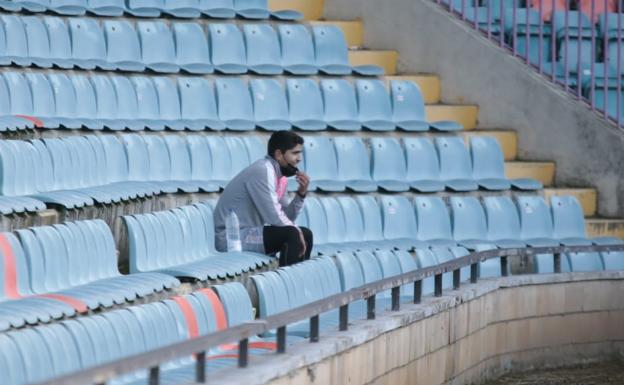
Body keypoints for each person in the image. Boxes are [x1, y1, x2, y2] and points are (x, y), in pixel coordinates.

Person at [214, 131, 313, 266]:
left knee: (306, 234)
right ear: (278, 154)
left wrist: (301, 194)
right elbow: (273, 216)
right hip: (232, 237)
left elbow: (286, 218)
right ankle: (285, 285)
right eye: (295, 153)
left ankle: (298, 282)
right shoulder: (263, 170)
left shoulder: (280, 178)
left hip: (249, 233)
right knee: (292, 234)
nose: (299, 158)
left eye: (300, 153)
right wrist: (295, 230)